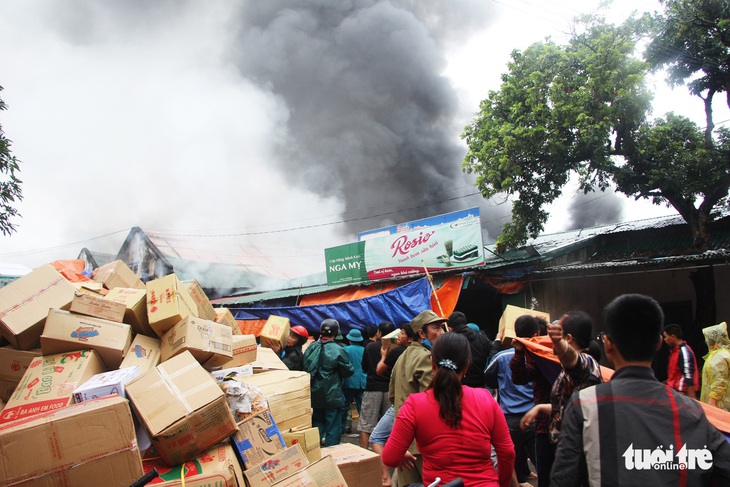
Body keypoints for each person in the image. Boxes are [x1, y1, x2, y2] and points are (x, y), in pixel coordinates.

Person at [552, 294, 730, 485]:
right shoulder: (693, 412)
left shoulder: (584, 406)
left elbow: (563, 479)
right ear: (659, 344)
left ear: (609, 344)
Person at [382, 332, 515, 487]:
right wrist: (502, 483)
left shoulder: (414, 404)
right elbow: (507, 453)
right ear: (466, 367)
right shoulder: (486, 399)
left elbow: (390, 458)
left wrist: (400, 452)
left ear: (432, 363)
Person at [521, 311, 602, 445]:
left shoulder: (586, 363)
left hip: (578, 446)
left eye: (560, 336)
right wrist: (540, 408)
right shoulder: (569, 369)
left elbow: (572, 359)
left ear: (568, 338)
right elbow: (565, 406)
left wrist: (559, 343)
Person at [388, 309, 447, 486]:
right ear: (422, 333)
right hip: (423, 442)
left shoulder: (402, 357)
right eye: (437, 328)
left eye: (442, 327)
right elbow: (432, 401)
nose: (442, 332)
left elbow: (392, 396)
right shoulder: (426, 358)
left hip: (403, 439)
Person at [486, 315, 538, 486]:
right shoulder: (540, 355)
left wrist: (502, 384)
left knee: (509, 461)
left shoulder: (502, 357)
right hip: (534, 416)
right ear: (537, 333)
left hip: (509, 418)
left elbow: (488, 376)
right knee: (541, 460)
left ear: (514, 333)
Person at [370, 322, 416, 487]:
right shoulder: (424, 353)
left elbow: (380, 370)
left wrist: (383, 356)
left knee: (376, 437)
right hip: (415, 405)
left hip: (400, 404)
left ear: (411, 338)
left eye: (402, 333)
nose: (399, 336)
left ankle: (385, 478)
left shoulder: (396, 352)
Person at [510, 316, 553, 487]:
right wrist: (519, 353)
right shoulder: (536, 359)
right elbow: (519, 377)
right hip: (544, 425)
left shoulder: (554, 355)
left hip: (557, 424)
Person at [302, 318, 354, 446]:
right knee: (333, 427)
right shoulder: (338, 349)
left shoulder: (312, 347)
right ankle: (332, 455)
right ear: (336, 333)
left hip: (315, 394)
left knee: (317, 423)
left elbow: (305, 366)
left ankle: (315, 450)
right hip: (332, 394)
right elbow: (348, 370)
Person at [360, 321, 396, 449]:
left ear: (379, 333)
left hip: (372, 387)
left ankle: (363, 455)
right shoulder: (396, 348)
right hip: (389, 389)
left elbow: (364, 367)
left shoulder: (370, 347)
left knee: (366, 424)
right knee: (388, 426)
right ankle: (386, 454)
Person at [449, 311, 492, 388]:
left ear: (450, 328)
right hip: (480, 386)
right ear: (466, 325)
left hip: (459, 387)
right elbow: (493, 349)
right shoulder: (482, 339)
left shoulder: (449, 341)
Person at [663, 323, 699, 398]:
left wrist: (691, 397)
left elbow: (688, 374)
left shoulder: (684, 351)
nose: (665, 339)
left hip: (682, 393)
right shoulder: (674, 351)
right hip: (674, 391)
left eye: (665, 337)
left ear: (673, 337)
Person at [700, 321, 730, 411]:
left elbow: (719, 380)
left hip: (720, 404)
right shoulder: (721, 354)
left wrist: (712, 401)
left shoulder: (719, 356)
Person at [342, 328, 366, 434]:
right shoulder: (364, 350)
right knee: (363, 407)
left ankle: (343, 427)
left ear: (350, 340)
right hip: (362, 382)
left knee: (344, 406)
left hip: (349, 382)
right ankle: (364, 430)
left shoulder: (346, 350)